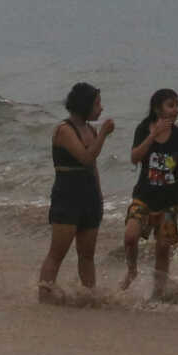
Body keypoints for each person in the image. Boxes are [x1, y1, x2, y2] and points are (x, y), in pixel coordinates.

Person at [121, 88, 178, 296]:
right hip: (144, 196)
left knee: (162, 248)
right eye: (171, 105)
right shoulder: (143, 129)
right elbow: (134, 158)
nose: (176, 110)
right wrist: (152, 135)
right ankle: (132, 271)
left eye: (177, 105)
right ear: (158, 109)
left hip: (170, 200)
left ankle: (159, 292)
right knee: (130, 236)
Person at [38, 82, 113, 302]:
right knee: (58, 252)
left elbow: (93, 167)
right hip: (67, 196)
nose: (101, 108)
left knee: (87, 254)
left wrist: (99, 198)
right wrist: (105, 135)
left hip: (89, 196)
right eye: (97, 103)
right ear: (85, 105)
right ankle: (45, 295)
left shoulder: (90, 129)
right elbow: (86, 157)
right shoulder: (64, 130)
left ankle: (89, 295)